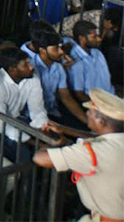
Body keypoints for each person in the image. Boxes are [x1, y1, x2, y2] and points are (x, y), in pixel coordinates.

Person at [32, 89, 124, 222]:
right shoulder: (115, 142)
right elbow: (101, 138)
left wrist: (52, 144)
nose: (86, 113)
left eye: (90, 112)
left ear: (100, 122)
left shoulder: (94, 151)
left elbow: (40, 158)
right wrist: (66, 130)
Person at [68, 20, 113, 101]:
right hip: (94, 103)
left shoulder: (97, 53)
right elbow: (79, 93)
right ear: (82, 38)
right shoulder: (76, 60)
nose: (98, 39)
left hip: (110, 97)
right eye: (94, 37)